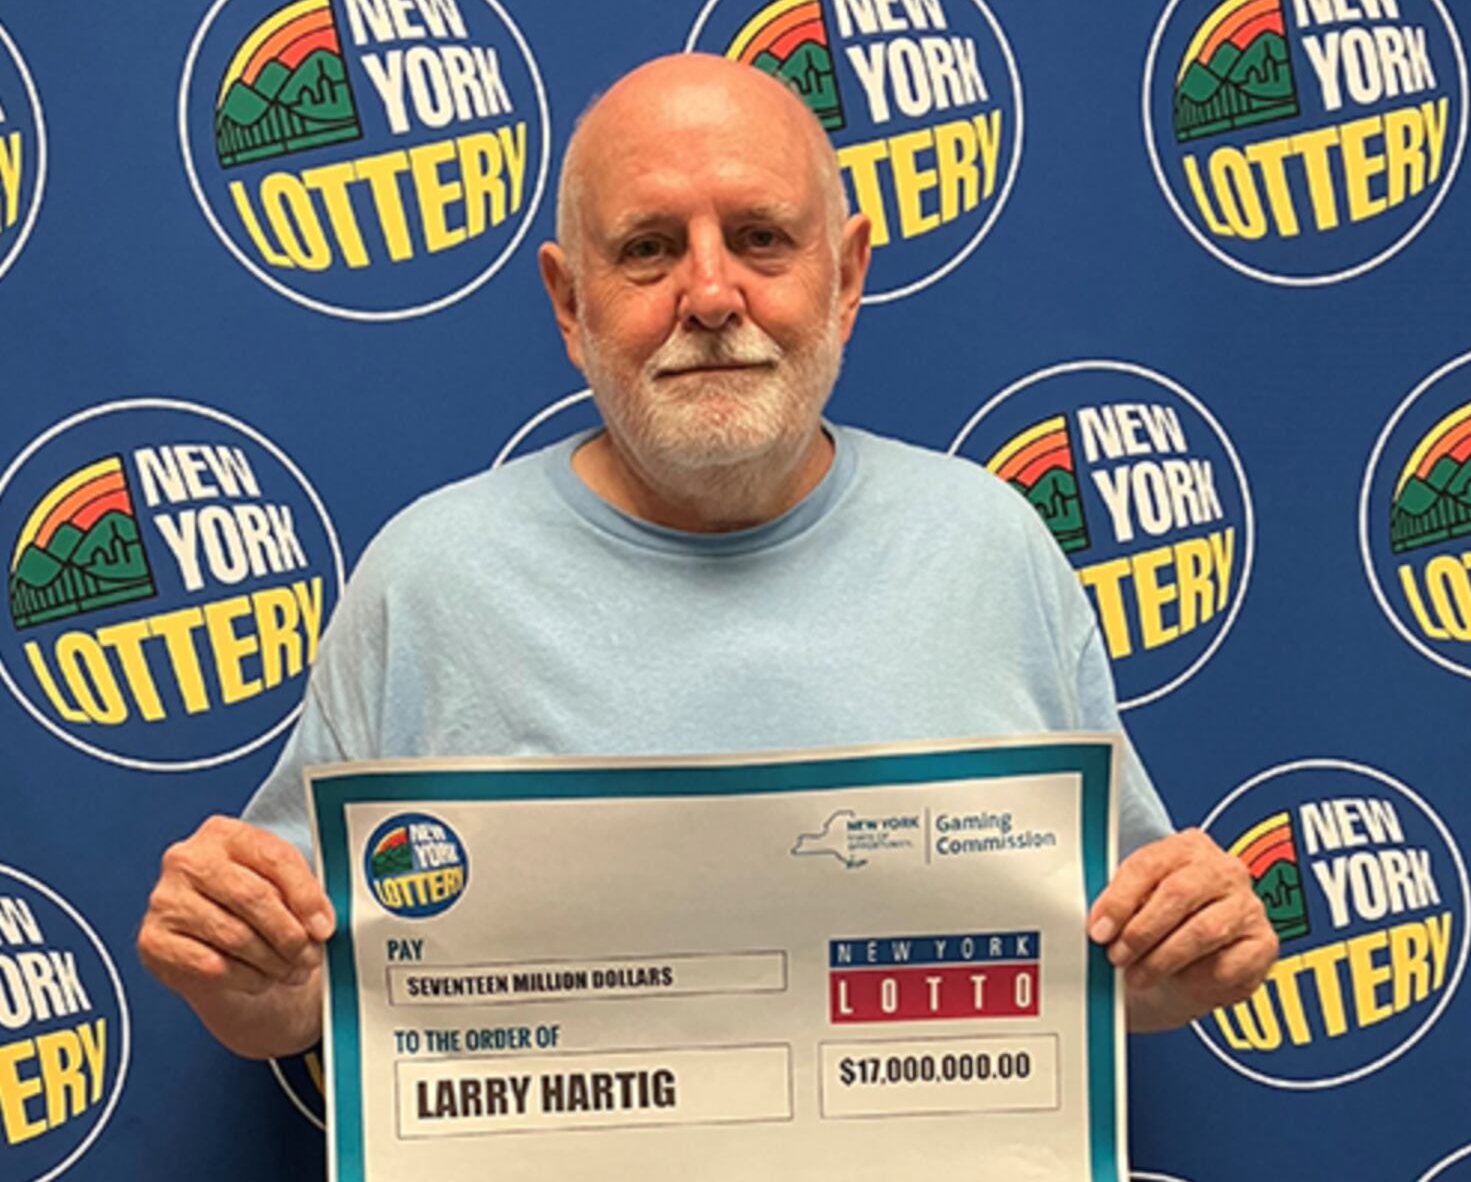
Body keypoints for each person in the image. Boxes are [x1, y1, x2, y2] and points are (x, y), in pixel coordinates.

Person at [137, 53, 1276, 1059]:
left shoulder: (991, 548)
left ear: (847, 277)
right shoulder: (428, 580)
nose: (712, 294)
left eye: (761, 239)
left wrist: (1184, 950)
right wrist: (245, 970)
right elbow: (294, 999)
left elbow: (1110, 964)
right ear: (569, 303)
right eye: (647, 250)